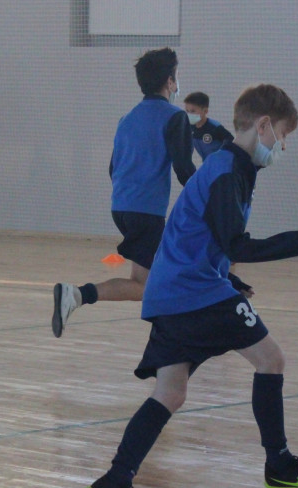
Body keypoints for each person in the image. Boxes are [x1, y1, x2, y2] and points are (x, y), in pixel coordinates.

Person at [85, 83, 298, 488]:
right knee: (271, 360)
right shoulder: (226, 170)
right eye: (282, 135)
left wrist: (230, 279)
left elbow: (203, 237)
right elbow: (236, 243)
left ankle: (115, 480)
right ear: (263, 125)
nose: (282, 146)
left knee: (170, 392)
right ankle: (280, 464)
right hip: (192, 291)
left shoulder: (231, 166)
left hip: (173, 291)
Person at [51, 47, 196, 338]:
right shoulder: (175, 117)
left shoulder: (126, 118)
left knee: (153, 279)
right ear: (170, 81)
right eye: (176, 76)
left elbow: (112, 168)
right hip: (147, 212)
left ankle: (79, 296)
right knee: (151, 283)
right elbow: (183, 169)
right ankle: (77, 295)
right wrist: (209, 194)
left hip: (121, 208)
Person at [184, 91, 234, 160]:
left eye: (193, 111)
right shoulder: (189, 128)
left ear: (205, 111)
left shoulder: (215, 127)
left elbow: (232, 142)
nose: (189, 114)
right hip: (207, 163)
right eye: (187, 111)